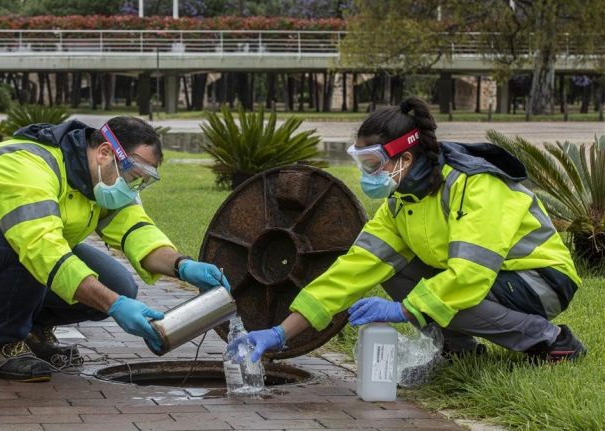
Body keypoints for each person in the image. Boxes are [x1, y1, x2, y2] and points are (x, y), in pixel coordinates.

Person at [239, 97, 586, 365]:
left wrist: (404, 311)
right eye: (361, 163)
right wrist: (280, 333)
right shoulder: (401, 203)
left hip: (540, 280)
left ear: (405, 158)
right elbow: (352, 270)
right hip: (494, 278)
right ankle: (458, 349)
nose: (366, 175)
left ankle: (551, 341)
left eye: (373, 164)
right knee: (397, 271)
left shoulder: (474, 184)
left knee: (443, 298)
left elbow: (471, 276)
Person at [0, 117, 230, 382]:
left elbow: (137, 232)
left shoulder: (101, 183)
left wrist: (183, 266)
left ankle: (33, 332)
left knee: (119, 284)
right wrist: (114, 305)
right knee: (33, 252)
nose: (134, 188)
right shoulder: (28, 165)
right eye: (134, 176)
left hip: (16, 248)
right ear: (105, 152)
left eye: (144, 181)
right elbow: (40, 247)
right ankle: (3, 344)